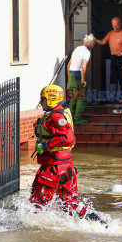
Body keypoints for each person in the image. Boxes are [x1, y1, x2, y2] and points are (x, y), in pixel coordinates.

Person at [30, 85, 105, 224]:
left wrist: (46, 145)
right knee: (68, 202)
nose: (41, 102)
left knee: (37, 202)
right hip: (65, 168)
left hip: (53, 169)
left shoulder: (56, 116)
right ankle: (98, 222)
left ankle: (31, 228)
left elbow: (68, 138)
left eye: (43, 99)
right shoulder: (58, 113)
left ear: (51, 99)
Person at [93, 17, 122, 98]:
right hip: (113, 58)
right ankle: (112, 99)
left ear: (121, 24)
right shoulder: (110, 33)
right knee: (113, 78)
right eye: (114, 26)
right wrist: (95, 40)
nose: (115, 28)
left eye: (117, 26)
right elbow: (103, 42)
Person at [66, 34, 95, 124]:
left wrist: (69, 77)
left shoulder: (77, 48)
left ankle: (69, 118)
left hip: (71, 74)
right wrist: (83, 79)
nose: (93, 46)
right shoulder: (86, 51)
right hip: (78, 74)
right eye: (93, 44)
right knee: (81, 97)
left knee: (72, 98)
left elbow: (68, 65)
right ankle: (77, 119)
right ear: (89, 44)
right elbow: (83, 66)